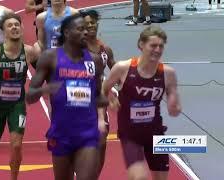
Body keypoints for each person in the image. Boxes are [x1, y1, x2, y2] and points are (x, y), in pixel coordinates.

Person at [26, 14, 107, 180]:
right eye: (80, 29)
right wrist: (45, 89)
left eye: (87, 28)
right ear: (67, 33)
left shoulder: (95, 61)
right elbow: (30, 96)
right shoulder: (50, 57)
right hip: (61, 133)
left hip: (87, 133)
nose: (86, 32)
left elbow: (98, 96)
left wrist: (107, 101)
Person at [103, 26, 182, 180]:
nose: (157, 50)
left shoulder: (168, 73)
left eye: (161, 46)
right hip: (130, 135)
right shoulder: (123, 68)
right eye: (153, 45)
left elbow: (174, 102)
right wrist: (111, 99)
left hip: (156, 134)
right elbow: (103, 88)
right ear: (141, 45)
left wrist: (175, 107)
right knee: (140, 178)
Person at [0, 13, 39, 180]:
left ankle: (13, 177)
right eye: (10, 25)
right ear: (3, 31)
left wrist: (38, 88)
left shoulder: (30, 52)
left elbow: (43, 71)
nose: (14, 27)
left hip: (17, 105)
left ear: (22, 28)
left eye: (17, 25)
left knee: (16, 145)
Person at [82, 9, 116, 178]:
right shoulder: (75, 51)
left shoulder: (105, 50)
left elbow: (117, 72)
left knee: (102, 142)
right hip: (79, 102)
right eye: (87, 23)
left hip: (99, 102)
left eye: (93, 23)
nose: (90, 26)